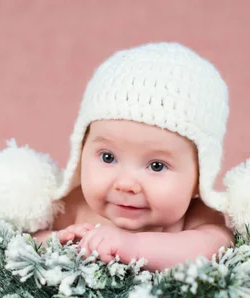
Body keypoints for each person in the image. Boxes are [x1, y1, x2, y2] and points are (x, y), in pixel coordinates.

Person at [33, 42, 234, 271]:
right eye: (108, 157)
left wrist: (132, 246)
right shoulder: (75, 205)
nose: (126, 184)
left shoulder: (197, 216)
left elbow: (215, 247)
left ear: (200, 175)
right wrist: (55, 241)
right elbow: (24, 243)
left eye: (157, 166)